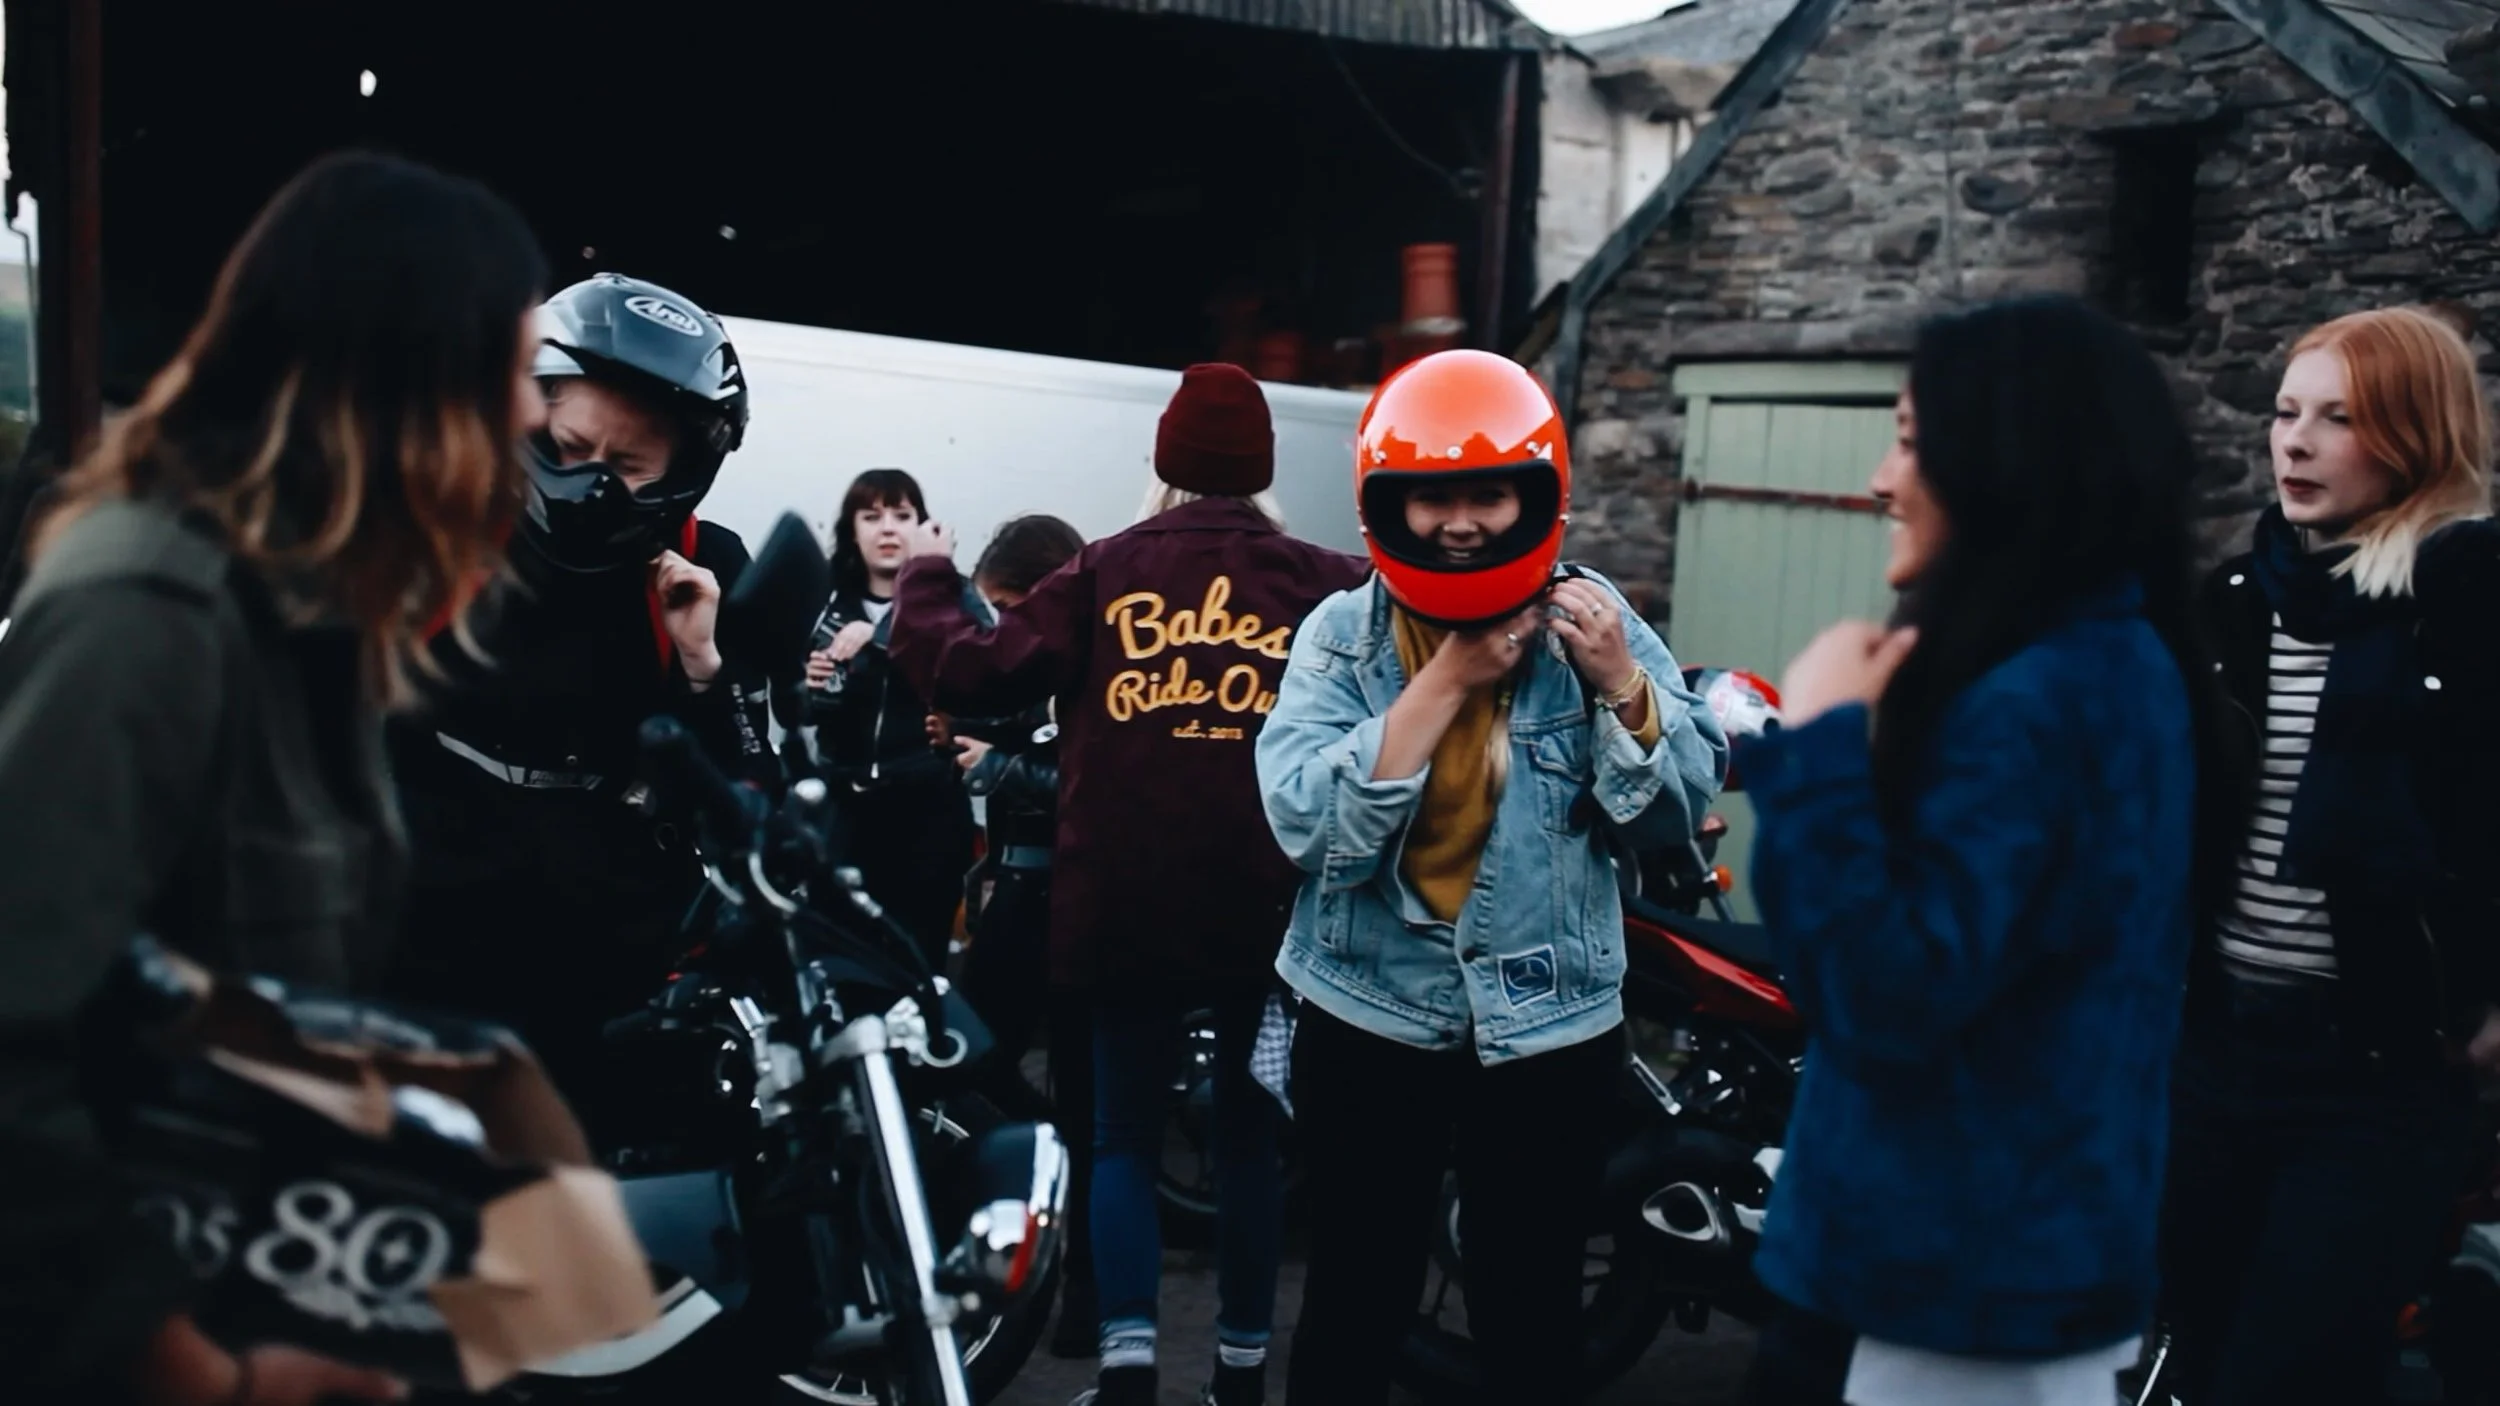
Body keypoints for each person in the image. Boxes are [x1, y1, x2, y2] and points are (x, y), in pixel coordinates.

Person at [0, 152, 546, 1406]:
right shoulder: (149, 613)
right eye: (512, 371)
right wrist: (198, 1372)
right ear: (406, 373)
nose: (530, 416)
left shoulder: (304, 619)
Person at [1733, 295, 2224, 1406]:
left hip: (1943, 1285)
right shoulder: (2125, 661)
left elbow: (1886, 990)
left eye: (1910, 438)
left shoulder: (2035, 700)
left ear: (2007, 457)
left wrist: (1814, 746)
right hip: (2020, 1262)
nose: (1877, 477)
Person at [886, 363, 1370, 1406]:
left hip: (1124, 897)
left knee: (1121, 1137)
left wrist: (925, 576)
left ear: (1164, 459)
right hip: (1265, 904)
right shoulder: (1321, 576)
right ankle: (1239, 1374)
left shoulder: (1105, 569)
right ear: (1260, 469)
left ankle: (1127, 1369)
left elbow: (971, 670)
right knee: (1247, 1139)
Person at [1255, 349, 1726, 1406]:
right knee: (1354, 1302)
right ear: (1387, 501)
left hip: (1550, 1023)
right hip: (1370, 1007)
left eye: (1486, 493)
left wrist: (1623, 685)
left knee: (1531, 1308)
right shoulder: (1344, 631)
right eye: (1431, 498)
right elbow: (1306, 826)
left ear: (1537, 496)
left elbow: (1674, 813)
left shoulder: (1590, 618)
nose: (1460, 523)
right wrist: (1446, 680)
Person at [2158, 306, 2500, 1406]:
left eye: (2338, 418)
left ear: (2411, 433)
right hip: (2213, 1048)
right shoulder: (2238, 598)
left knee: (2286, 1372)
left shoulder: (2467, 597)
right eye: (2284, 411)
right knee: (2193, 1348)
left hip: (2380, 1068)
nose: (2293, 441)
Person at [382, 272, 771, 1144]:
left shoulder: (709, 566)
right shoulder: (432, 527)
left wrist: (706, 664)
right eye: (568, 445)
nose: (590, 483)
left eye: (628, 467)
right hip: (419, 925)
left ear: (685, 470)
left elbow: (752, 787)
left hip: (608, 952)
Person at [940, 512, 1099, 1357]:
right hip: (1020, 892)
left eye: (1008, 605)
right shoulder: (1038, 655)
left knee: (1066, 1092)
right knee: (987, 1068)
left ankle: (1082, 1295)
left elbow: (1089, 778)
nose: (1001, 625)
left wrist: (998, 766)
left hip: (1064, 897)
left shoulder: (1100, 656)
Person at [778, 468, 979, 966]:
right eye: (871, 516)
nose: (887, 528)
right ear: (851, 529)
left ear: (923, 527)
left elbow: (978, 674)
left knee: (917, 964)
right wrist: (813, 686)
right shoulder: (822, 599)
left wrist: (883, 632)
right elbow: (788, 709)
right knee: (838, 962)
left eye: (902, 515)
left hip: (926, 815)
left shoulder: (953, 595)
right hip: (843, 817)